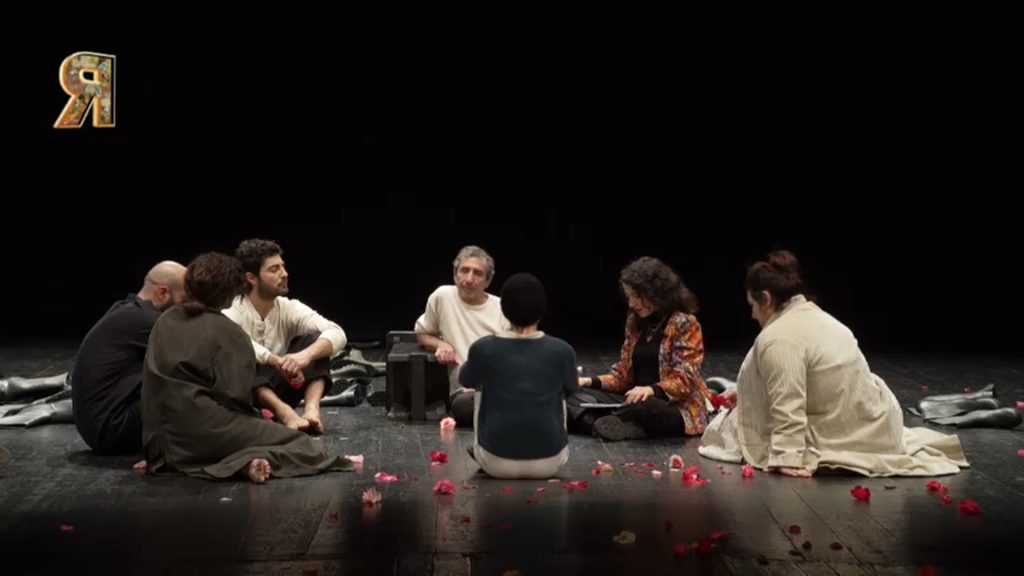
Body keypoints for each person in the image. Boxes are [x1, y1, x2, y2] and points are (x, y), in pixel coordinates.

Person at [698, 250, 968, 477]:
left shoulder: (779, 338)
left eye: (753, 305)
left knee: (727, 428)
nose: (752, 314)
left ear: (766, 299)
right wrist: (748, 392)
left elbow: (788, 400)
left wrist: (786, 456)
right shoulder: (819, 318)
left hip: (848, 434)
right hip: (878, 423)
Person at [142, 252, 355, 482]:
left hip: (156, 437)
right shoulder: (228, 331)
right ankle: (239, 463)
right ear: (230, 293)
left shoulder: (165, 319)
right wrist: (260, 420)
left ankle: (241, 462)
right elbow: (233, 397)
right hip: (199, 430)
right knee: (300, 444)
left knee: (257, 428)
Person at [568, 257, 711, 441]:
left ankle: (595, 422)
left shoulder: (684, 323)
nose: (631, 304)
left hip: (670, 405)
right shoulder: (635, 323)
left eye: (636, 296)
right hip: (631, 400)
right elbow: (623, 377)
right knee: (571, 394)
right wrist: (587, 381)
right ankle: (607, 425)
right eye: (629, 297)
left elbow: (685, 380)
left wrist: (652, 389)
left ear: (656, 292)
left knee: (645, 407)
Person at [223, 239, 346, 434]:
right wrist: (277, 361)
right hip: (245, 394)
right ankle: (285, 414)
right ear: (251, 278)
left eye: (282, 266)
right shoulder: (233, 309)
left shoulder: (287, 307)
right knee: (240, 359)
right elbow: (237, 342)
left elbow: (337, 332)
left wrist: (304, 356)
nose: (284, 274)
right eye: (274, 269)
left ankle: (311, 411)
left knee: (316, 340)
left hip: (281, 385)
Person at [461, 273, 577, 479]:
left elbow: (465, 380)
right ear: (542, 309)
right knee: (560, 392)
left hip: (494, 463)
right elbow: (572, 389)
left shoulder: (483, 348)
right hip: (550, 463)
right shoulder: (563, 350)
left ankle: (483, 445)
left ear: (503, 308)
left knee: (479, 387)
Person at [71, 260, 187, 454]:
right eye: (184, 301)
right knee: (191, 382)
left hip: (99, 427)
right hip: (113, 430)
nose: (187, 308)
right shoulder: (146, 321)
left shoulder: (125, 309)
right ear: (162, 293)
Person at [414, 245, 509, 426]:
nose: (469, 279)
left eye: (478, 273)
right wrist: (441, 344)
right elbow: (422, 334)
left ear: (488, 281)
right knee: (464, 407)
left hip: (499, 388)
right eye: (464, 271)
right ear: (455, 274)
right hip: (465, 394)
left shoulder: (501, 308)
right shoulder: (442, 297)